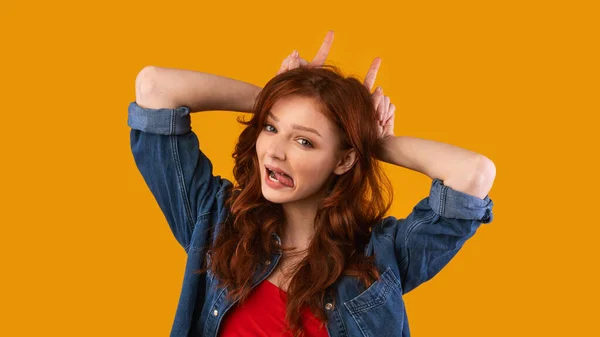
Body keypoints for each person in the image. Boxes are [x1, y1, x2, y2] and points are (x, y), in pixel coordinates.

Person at [128, 30, 495, 337]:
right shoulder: (217, 222)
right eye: (271, 127)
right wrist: (279, 96)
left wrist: (369, 140)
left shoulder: (380, 258)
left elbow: (473, 173)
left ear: (343, 159)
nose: (275, 152)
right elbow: (155, 86)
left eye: (304, 141)